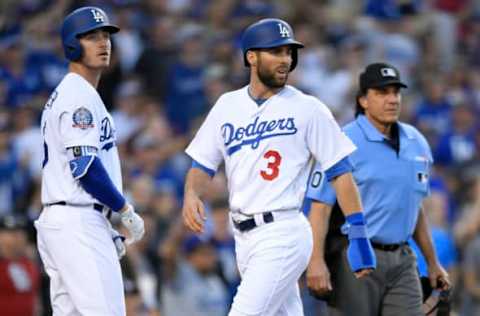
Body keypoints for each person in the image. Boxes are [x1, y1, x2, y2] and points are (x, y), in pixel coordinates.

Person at [182, 18, 376, 316]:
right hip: (243, 237)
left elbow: (341, 172)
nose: (285, 59)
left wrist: (359, 233)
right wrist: (192, 194)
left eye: (288, 52)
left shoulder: (308, 108)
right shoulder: (227, 106)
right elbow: (202, 163)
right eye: (276, 52)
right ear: (251, 56)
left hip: (283, 232)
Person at [305, 62, 451, 316]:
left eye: (396, 92)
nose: (392, 99)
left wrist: (432, 262)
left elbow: (413, 208)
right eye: (382, 93)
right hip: (356, 256)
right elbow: (320, 209)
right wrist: (315, 261)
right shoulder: (342, 141)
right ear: (363, 100)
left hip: (403, 258)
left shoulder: (416, 142)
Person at [34, 6, 145, 315]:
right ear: (72, 44)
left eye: (106, 36)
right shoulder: (77, 96)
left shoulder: (77, 93)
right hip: (77, 222)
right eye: (91, 37)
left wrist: (106, 224)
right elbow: (85, 168)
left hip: (70, 219)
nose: (103, 43)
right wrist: (124, 210)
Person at [0, 215, 40, 316]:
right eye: (11, 233)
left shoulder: (30, 263)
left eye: (21, 233)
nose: (18, 238)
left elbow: (36, 299)